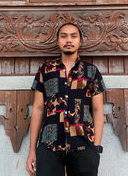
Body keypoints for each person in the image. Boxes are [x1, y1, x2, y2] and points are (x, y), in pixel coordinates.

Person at [26, 22, 106, 176]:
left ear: (80, 41)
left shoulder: (91, 71)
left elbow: (97, 109)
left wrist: (96, 147)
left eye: (73, 36)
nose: (69, 40)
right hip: (49, 145)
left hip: (84, 146)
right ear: (58, 41)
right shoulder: (45, 70)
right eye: (64, 36)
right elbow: (37, 109)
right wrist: (32, 151)